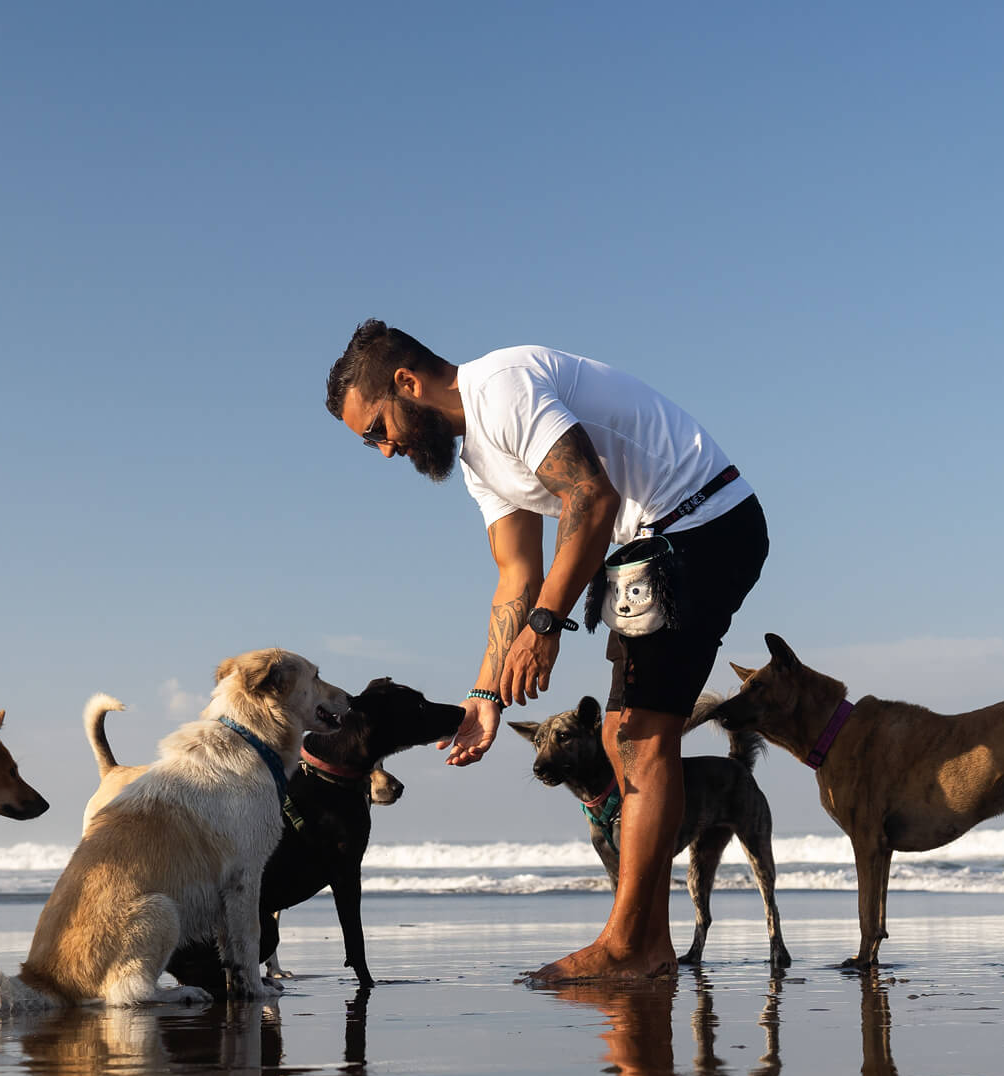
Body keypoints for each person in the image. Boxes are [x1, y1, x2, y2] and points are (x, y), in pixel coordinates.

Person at [324, 322, 768, 982]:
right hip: (657, 543)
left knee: (640, 738)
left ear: (407, 384)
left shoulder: (501, 390)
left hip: (701, 524)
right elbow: (516, 575)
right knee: (624, 736)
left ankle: (629, 946)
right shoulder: (476, 457)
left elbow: (591, 497)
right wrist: (483, 695)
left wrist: (547, 625)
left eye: (377, 431)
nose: (384, 451)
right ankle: (650, 944)